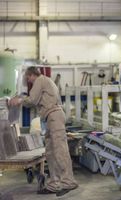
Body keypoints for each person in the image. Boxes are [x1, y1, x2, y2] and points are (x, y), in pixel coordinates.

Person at [8, 67, 78, 197]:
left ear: (31, 75)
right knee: (50, 152)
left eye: (28, 78)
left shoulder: (40, 80)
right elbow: (35, 99)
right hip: (50, 117)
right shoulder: (46, 81)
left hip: (54, 116)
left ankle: (69, 182)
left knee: (60, 149)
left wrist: (20, 100)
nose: (28, 81)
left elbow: (33, 100)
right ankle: (54, 184)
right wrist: (22, 98)